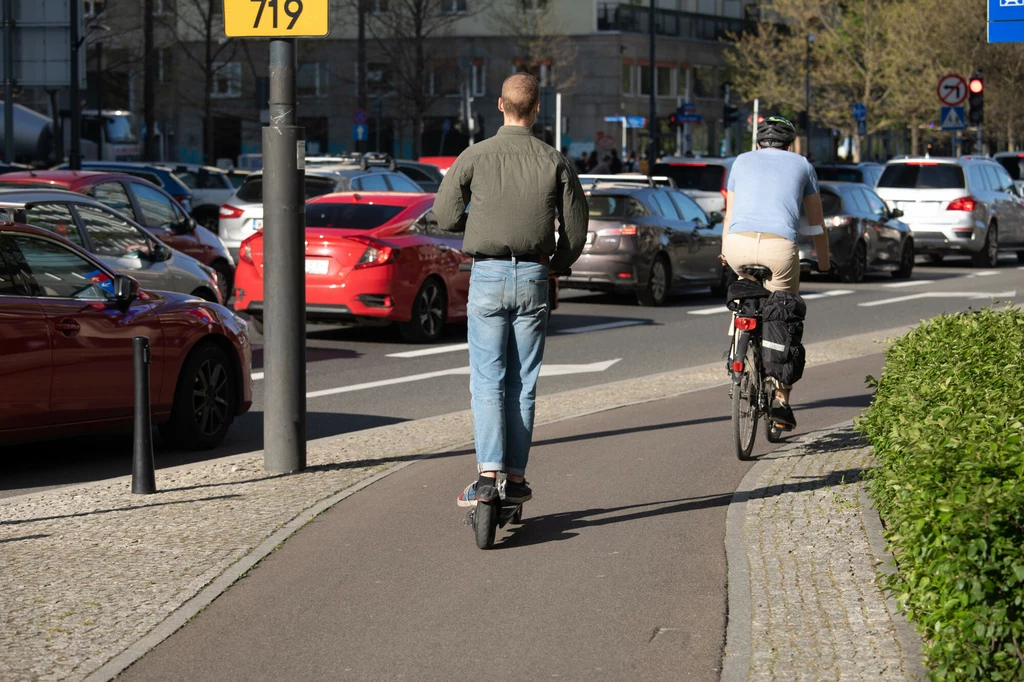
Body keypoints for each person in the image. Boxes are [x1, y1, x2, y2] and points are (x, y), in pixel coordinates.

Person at [434, 72, 589, 508]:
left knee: (487, 381)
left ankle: (487, 475)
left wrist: (479, 226)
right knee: (523, 384)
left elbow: (445, 215)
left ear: (500, 105)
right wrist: (554, 265)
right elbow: (575, 230)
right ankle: (516, 479)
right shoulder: (554, 160)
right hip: (534, 277)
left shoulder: (475, 155)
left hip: (487, 275)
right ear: (537, 109)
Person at [720, 115, 831, 428]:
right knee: (784, 312)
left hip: (737, 244)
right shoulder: (803, 165)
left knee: (746, 293)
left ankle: (737, 352)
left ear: (758, 143)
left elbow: (730, 215)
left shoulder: (740, 162)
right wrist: (823, 262)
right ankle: (781, 399)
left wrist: (725, 252)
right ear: (790, 145)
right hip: (779, 248)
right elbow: (816, 224)